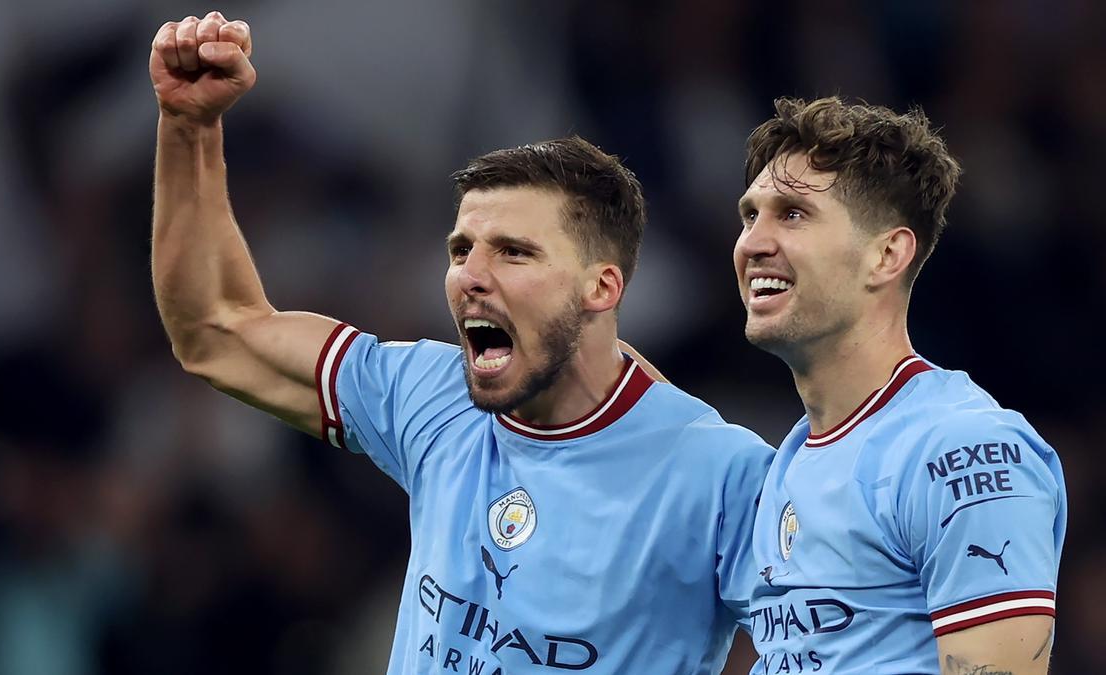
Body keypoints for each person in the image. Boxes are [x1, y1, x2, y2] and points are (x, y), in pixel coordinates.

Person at [149, 12, 774, 674]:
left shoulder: (714, 474)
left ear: (600, 287)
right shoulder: (432, 395)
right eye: (461, 250)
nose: (471, 278)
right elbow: (215, 329)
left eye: (512, 252)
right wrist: (189, 128)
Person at [733, 98, 1065, 675]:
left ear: (887, 254)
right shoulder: (789, 461)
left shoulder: (958, 448)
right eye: (750, 215)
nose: (753, 242)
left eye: (792, 214)